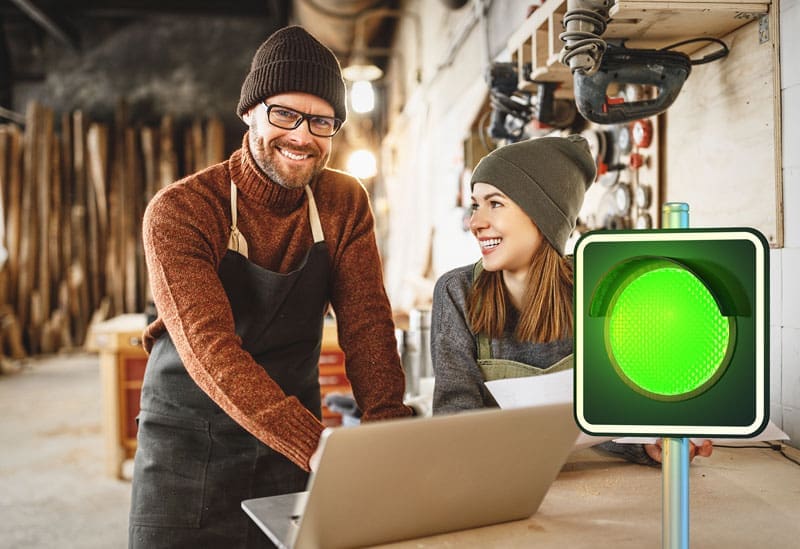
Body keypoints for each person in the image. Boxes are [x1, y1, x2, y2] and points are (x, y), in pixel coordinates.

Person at [128, 25, 412, 548]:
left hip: (289, 448)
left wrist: (386, 426)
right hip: (190, 447)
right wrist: (318, 446)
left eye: (321, 121)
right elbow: (211, 352)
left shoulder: (344, 202)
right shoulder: (182, 210)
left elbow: (367, 322)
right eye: (284, 113)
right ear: (250, 112)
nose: (302, 136)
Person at [431, 135, 712, 466]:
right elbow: (455, 421)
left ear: (543, 215)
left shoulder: (597, 287)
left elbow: (620, 408)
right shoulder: (458, 292)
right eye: (476, 205)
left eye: (495, 204)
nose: (475, 223)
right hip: (498, 487)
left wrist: (647, 444)